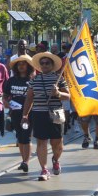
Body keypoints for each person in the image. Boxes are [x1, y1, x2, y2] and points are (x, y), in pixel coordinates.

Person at [21, 52, 68, 181]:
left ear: (52, 65)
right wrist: (25, 115)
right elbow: (29, 99)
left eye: (47, 63)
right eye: (42, 63)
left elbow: (68, 96)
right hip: (39, 114)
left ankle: (56, 159)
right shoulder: (34, 80)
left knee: (57, 143)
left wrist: (58, 93)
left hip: (56, 114)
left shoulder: (59, 78)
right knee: (41, 142)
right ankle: (44, 169)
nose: (44, 65)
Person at [4, 55, 35, 172]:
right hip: (15, 113)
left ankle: (26, 161)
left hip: (28, 113)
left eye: (24, 63)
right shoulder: (11, 80)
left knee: (26, 137)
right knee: (19, 137)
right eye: (19, 64)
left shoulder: (32, 80)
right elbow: (5, 95)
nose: (21, 66)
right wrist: (5, 102)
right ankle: (23, 160)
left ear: (28, 66)